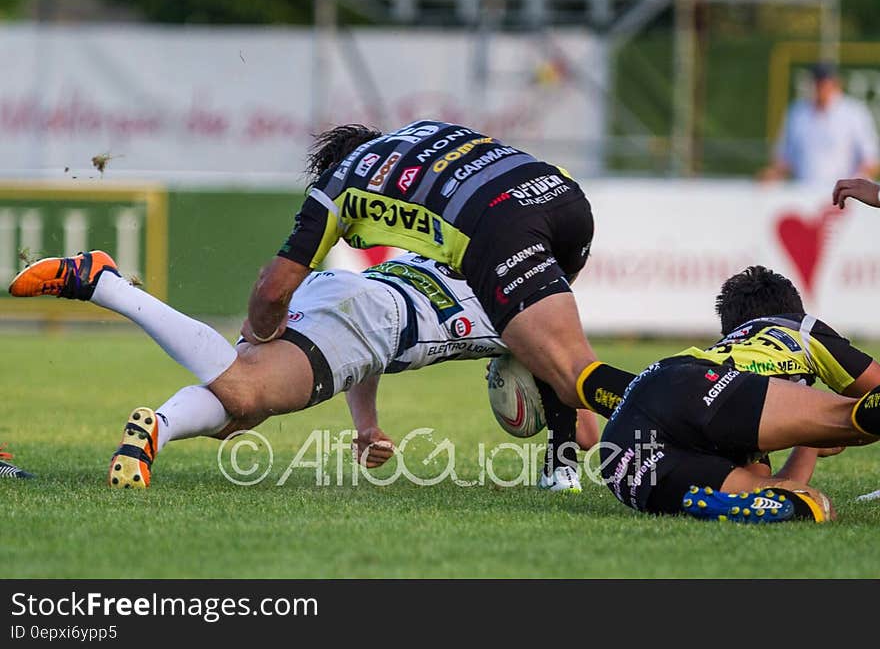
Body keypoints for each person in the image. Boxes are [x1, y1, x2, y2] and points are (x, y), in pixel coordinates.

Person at [243, 120, 636, 489]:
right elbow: (363, 327)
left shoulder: (344, 185)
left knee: (570, 377)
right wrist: (367, 425)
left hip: (502, 226)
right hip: (561, 194)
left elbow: (280, 291)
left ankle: (678, 404)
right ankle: (564, 467)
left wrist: (261, 329)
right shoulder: (422, 139)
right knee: (569, 376)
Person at [9, 249, 599, 490]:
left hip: (349, 294)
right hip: (369, 318)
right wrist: (562, 466)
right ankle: (103, 282)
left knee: (241, 413)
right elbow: (581, 413)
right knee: (244, 388)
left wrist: (366, 426)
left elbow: (371, 355)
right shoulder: (521, 316)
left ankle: (153, 432)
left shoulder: (463, 259)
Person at [599, 265, 880, 523]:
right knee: (855, 419)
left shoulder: (732, 380)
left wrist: (810, 439)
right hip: (700, 388)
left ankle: (698, 501)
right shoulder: (795, 326)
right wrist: (834, 424)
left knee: (809, 504)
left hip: (624, 453)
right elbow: (873, 388)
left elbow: (776, 481)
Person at [759, 63, 879, 185]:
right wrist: (774, 174)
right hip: (804, 193)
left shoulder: (854, 112)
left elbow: (871, 159)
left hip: (843, 195)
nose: (820, 87)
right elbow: (785, 156)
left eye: (824, 82)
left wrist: (853, 185)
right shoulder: (797, 112)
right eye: (817, 82)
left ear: (835, 84)